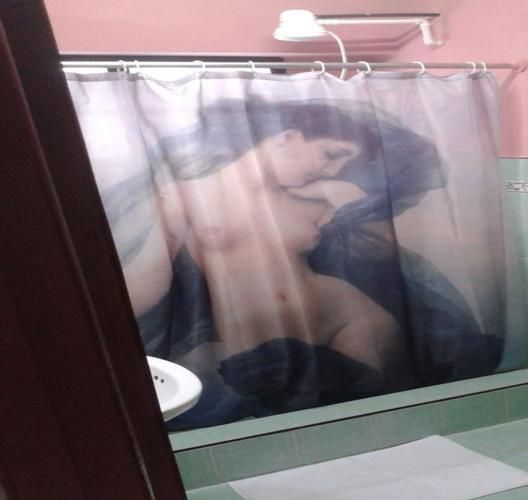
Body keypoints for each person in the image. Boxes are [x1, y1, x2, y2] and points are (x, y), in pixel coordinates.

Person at [101, 98, 502, 429]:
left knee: (365, 424)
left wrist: (342, 196)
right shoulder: (186, 195)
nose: (331, 169)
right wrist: (99, 333)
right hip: (240, 341)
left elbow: (385, 254)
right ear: (287, 137)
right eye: (331, 154)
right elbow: (151, 276)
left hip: (345, 320)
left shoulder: (317, 197)